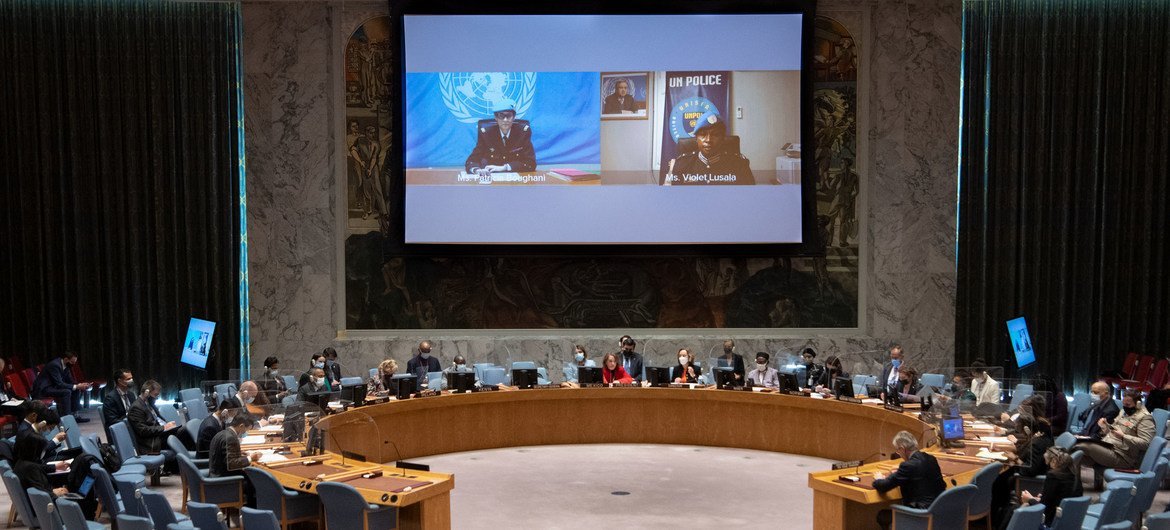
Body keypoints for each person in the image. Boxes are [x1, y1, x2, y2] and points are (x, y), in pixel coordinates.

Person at [1074, 390, 1154, 490]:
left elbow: (1146, 443)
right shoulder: (1123, 412)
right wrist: (1105, 427)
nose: (1125, 407)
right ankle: (1074, 487)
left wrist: (1124, 436)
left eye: (1128, 404)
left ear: (1138, 404)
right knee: (1076, 453)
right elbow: (1113, 431)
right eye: (1124, 404)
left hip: (1123, 457)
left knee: (1083, 446)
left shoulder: (1145, 418)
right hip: (1109, 446)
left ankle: (1074, 488)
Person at [872, 431, 946, 530]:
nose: (899, 454)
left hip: (920, 515)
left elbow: (883, 486)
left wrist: (879, 479)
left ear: (903, 449)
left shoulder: (907, 466)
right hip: (937, 512)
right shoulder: (931, 458)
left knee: (882, 516)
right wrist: (899, 473)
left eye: (898, 451)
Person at [665, 112, 755, 185]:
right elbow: (670, 198)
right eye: (703, 135)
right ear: (696, 138)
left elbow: (750, 199)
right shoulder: (681, 165)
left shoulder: (739, 165)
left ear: (723, 139)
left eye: (715, 135)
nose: (708, 140)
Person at [464, 101, 536, 174]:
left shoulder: (522, 133)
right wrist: (477, 170)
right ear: (496, 118)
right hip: (492, 178)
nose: (505, 120)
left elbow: (531, 163)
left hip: (515, 180)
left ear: (514, 117)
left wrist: (505, 167)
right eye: (501, 116)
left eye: (509, 116)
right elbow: (472, 160)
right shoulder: (486, 134)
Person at [208, 414, 260, 507]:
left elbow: (225, 456)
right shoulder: (231, 438)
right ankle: (252, 508)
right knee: (254, 477)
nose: (246, 432)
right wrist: (250, 458)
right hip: (223, 479)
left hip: (216, 472)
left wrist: (239, 453)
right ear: (241, 426)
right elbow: (231, 464)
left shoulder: (223, 432)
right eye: (247, 429)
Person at [31, 351, 91, 419]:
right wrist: (77, 386)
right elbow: (59, 384)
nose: (73, 364)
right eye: (72, 362)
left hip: (53, 386)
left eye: (75, 362)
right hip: (44, 389)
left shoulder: (66, 365)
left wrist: (80, 385)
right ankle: (67, 418)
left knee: (75, 389)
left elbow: (70, 381)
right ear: (66, 359)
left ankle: (75, 416)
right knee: (66, 392)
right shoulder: (55, 365)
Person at [127, 380, 177, 455]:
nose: (157, 398)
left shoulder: (150, 404)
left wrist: (169, 425)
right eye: (155, 395)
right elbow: (142, 430)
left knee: (183, 431)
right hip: (151, 442)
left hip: (159, 435)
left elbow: (158, 420)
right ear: (146, 393)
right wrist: (164, 427)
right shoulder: (136, 408)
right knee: (182, 435)